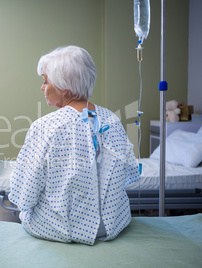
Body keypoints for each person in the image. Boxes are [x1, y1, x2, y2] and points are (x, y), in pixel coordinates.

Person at [9, 46, 140, 245]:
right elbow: (126, 175)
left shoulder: (46, 127)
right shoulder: (112, 120)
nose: (42, 87)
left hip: (62, 229)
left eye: (45, 81)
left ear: (65, 88)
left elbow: (24, 195)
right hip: (113, 225)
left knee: (28, 213)